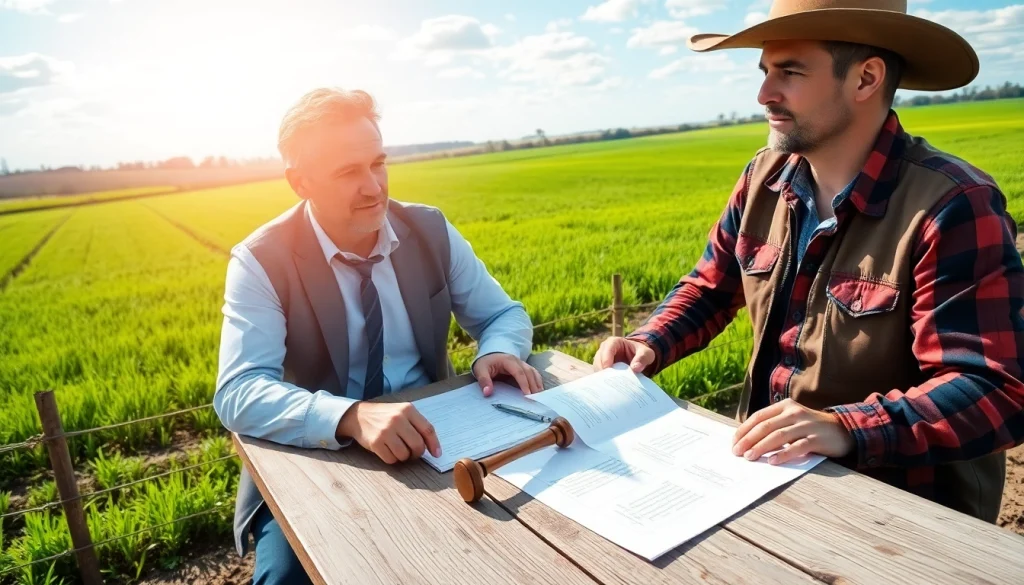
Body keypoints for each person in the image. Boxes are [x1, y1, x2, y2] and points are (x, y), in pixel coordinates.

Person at [593, 0, 1024, 523]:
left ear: (866, 78)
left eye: (790, 72)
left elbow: (993, 388)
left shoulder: (952, 204)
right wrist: (646, 342)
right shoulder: (763, 178)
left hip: (906, 519)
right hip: (764, 483)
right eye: (765, 71)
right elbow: (710, 288)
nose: (763, 94)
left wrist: (845, 428)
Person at [213, 87, 543, 584]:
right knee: (288, 579)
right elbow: (238, 392)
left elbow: (504, 314)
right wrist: (349, 416)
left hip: (438, 437)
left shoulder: (430, 229)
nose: (373, 187)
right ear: (298, 182)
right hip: (318, 458)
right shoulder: (261, 260)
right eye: (348, 172)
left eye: (378, 163)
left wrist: (496, 350)